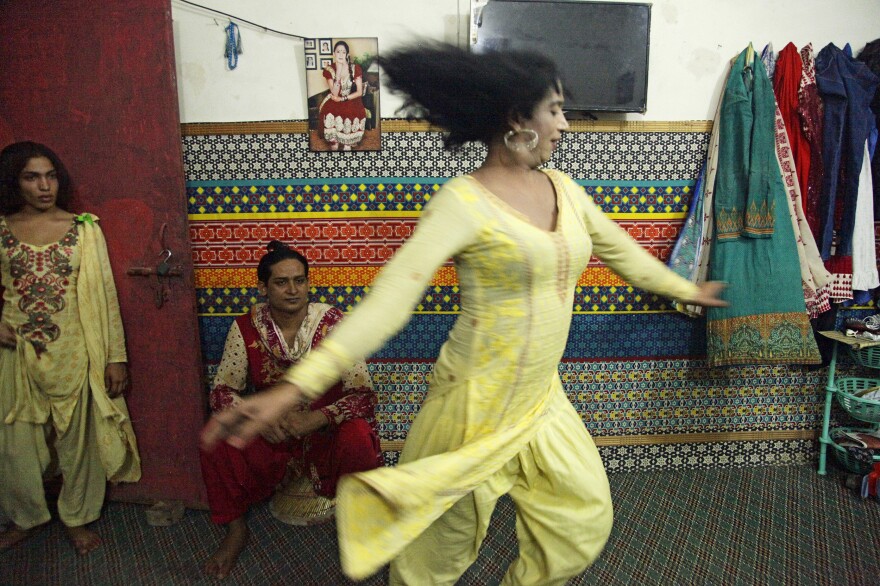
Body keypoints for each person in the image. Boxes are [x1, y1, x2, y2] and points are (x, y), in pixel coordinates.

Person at [203, 43, 727, 585]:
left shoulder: (566, 190)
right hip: (472, 405)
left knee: (581, 524)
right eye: (554, 110)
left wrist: (686, 289)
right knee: (435, 555)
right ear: (516, 118)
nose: (566, 125)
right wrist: (289, 391)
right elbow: (387, 305)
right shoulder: (463, 202)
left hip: (541, 399)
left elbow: (626, 256)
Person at [200, 240, 382, 580]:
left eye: (300, 280)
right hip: (276, 434)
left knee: (359, 436)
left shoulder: (334, 323)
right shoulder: (245, 327)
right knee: (219, 436)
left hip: (324, 432)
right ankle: (236, 530)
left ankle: (364, 526)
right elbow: (223, 391)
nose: (293, 289)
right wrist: (260, 418)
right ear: (263, 287)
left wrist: (318, 417)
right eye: (282, 282)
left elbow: (364, 394)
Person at [0, 141, 140, 554]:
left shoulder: (83, 229)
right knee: (15, 447)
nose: (45, 186)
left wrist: (116, 356)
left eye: (51, 175)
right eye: (32, 177)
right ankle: (25, 517)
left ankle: (77, 518)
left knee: (79, 446)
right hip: (17, 356)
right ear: (14, 182)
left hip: (76, 354)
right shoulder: (2, 229)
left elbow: (105, 295)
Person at [319, 40, 368, 151]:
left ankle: (347, 144)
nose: (340, 54)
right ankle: (335, 143)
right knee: (334, 144)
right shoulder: (329, 69)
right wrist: (339, 72)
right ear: (334, 54)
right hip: (334, 99)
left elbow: (359, 92)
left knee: (347, 146)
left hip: (351, 99)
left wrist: (343, 98)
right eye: (338, 52)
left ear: (347, 54)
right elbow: (334, 93)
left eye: (343, 52)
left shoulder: (355, 68)